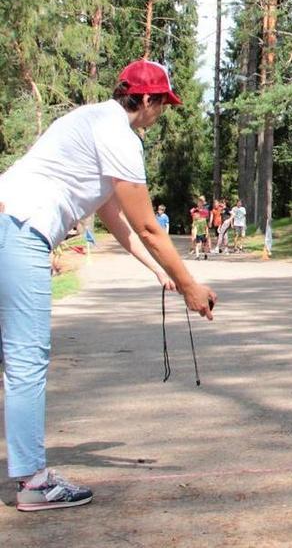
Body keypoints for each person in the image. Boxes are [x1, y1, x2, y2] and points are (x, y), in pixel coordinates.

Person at [0, 59, 217, 512]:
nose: (161, 112)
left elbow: (112, 215)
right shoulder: (120, 134)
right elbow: (149, 226)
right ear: (143, 99)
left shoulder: (90, 118)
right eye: (160, 103)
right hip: (20, 231)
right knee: (26, 360)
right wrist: (190, 284)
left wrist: (156, 271)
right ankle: (34, 483)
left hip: (8, 221)